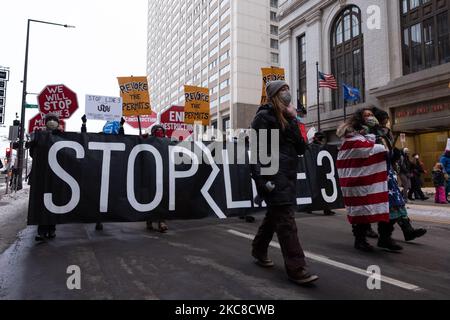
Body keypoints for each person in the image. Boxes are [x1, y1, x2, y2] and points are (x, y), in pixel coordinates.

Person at [250, 80, 318, 285]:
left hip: (288, 174)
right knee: (286, 221)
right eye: (283, 90)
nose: (287, 93)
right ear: (273, 95)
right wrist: (261, 181)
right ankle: (297, 268)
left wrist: (294, 120)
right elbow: (257, 153)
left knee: (275, 216)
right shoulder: (263, 118)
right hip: (273, 175)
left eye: (288, 89)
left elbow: (300, 148)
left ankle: (258, 249)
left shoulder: (289, 119)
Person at [336, 108, 402, 252]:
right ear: (359, 118)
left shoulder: (381, 132)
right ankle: (360, 239)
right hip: (361, 176)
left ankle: (385, 238)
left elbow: (389, 150)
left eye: (371, 115)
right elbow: (355, 149)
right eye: (366, 115)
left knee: (392, 207)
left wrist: (383, 138)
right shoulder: (352, 134)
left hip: (382, 175)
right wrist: (378, 148)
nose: (370, 117)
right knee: (361, 209)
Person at [371, 107, 427, 242]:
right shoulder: (373, 134)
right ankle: (384, 237)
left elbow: (390, 151)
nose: (386, 123)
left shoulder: (386, 134)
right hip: (378, 173)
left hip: (388, 173)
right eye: (384, 121)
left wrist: (397, 153)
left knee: (397, 202)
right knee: (388, 205)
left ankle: (407, 230)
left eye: (387, 121)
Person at [81, 115, 126, 231]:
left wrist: (121, 126)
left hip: (112, 172)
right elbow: (84, 139)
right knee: (98, 197)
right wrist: (84, 124)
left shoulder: (115, 140)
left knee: (108, 196)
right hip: (98, 172)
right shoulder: (97, 138)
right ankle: (99, 219)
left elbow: (122, 139)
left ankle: (102, 218)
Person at [32, 113, 62, 242]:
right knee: (42, 203)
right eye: (49, 120)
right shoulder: (40, 136)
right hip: (42, 175)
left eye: (54, 120)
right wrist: (34, 142)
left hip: (56, 176)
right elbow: (34, 154)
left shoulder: (61, 137)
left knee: (53, 203)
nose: (51, 122)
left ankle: (51, 229)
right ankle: (42, 231)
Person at [144, 124, 169, 233]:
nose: (160, 133)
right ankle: (149, 221)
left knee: (162, 199)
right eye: (157, 131)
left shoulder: (167, 141)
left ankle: (161, 222)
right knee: (150, 199)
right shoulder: (148, 140)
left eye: (161, 131)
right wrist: (141, 138)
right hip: (150, 174)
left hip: (163, 175)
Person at [309, 132, 336, 216]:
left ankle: (326, 209)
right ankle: (310, 207)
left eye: (322, 138)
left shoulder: (322, 147)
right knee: (315, 190)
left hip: (322, 171)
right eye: (320, 138)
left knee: (323, 190)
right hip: (315, 171)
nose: (321, 140)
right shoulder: (311, 147)